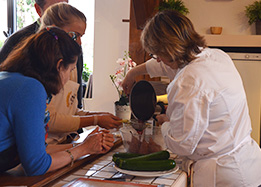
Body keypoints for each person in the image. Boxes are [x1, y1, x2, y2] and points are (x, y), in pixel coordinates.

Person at [122, 10, 261, 187]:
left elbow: (182, 145)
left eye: (157, 55)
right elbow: (168, 67)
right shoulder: (216, 56)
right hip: (248, 162)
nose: (157, 61)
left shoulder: (188, 82)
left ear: (167, 51)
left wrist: (165, 123)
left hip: (223, 175)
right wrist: (133, 72)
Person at [0, 27, 114, 176]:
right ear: (59, 65)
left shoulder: (10, 77)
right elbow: (36, 165)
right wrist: (83, 149)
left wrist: (84, 145)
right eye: (71, 69)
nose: (68, 78)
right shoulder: (30, 89)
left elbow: (39, 150)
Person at [38, 3, 121, 143]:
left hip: (64, 142)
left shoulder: (70, 63)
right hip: (44, 147)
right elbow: (49, 120)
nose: (79, 42)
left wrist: (98, 115)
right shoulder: (40, 65)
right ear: (54, 30)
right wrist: (95, 119)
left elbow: (70, 110)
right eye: (74, 35)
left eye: (81, 36)